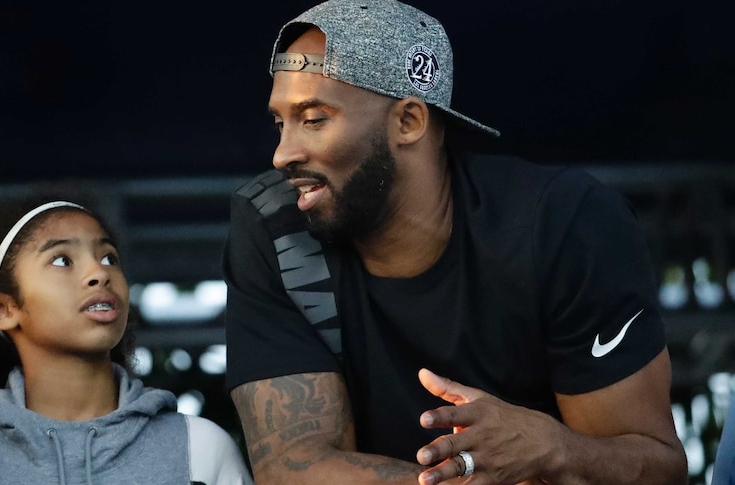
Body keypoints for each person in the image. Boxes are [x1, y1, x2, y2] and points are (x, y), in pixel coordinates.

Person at [221, 0, 688, 484]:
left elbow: (659, 468)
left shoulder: (563, 224)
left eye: (313, 118)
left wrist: (554, 447)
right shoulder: (273, 226)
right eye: (281, 122)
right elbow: (293, 467)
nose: (283, 154)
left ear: (408, 122)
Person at [0, 197, 254, 485]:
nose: (99, 273)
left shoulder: (200, 449)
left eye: (109, 258)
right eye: (62, 260)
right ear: (3, 308)